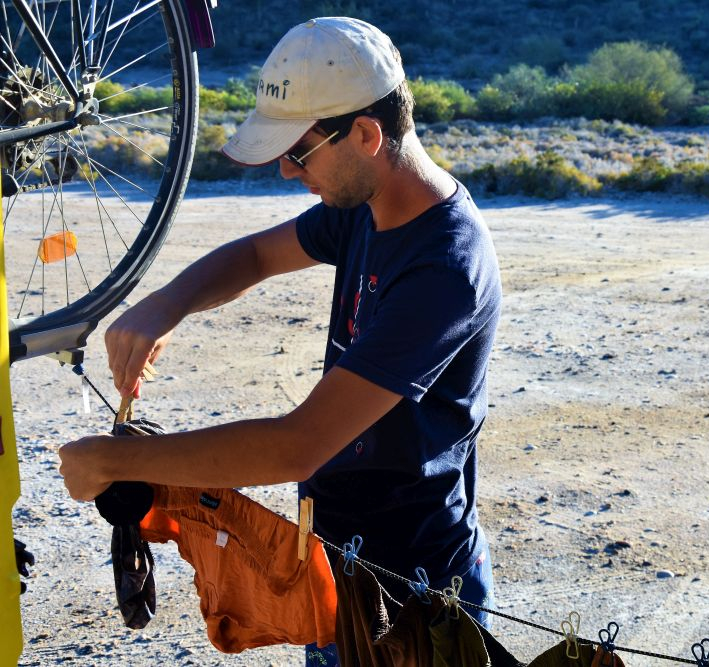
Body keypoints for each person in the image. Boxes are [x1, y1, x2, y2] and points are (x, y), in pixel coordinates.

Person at [58, 16, 502, 665]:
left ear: (367, 135)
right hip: (334, 572)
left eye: (299, 152)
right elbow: (256, 256)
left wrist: (119, 462)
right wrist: (164, 305)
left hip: (416, 599)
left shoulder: (444, 270)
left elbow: (299, 444)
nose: (288, 172)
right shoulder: (365, 210)